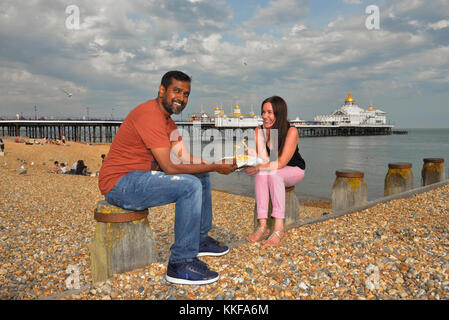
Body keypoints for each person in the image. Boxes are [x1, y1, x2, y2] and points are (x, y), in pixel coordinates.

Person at [99, 70, 236, 285]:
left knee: (200, 173)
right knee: (189, 185)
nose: (181, 98)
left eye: (186, 94)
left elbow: (187, 158)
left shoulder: (168, 121)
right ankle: (181, 263)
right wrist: (217, 165)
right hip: (120, 184)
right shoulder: (149, 114)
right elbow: (171, 166)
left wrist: (221, 162)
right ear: (162, 90)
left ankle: (199, 239)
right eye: (177, 91)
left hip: (141, 177)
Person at [243, 96, 305, 246]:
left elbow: (281, 162)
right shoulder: (259, 131)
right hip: (274, 169)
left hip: (294, 170)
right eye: (263, 112)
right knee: (261, 175)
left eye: (269, 112)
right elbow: (265, 160)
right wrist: (252, 158)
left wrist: (258, 165)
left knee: (273, 174)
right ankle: (263, 225)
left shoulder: (291, 131)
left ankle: (278, 228)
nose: (265, 116)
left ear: (279, 113)